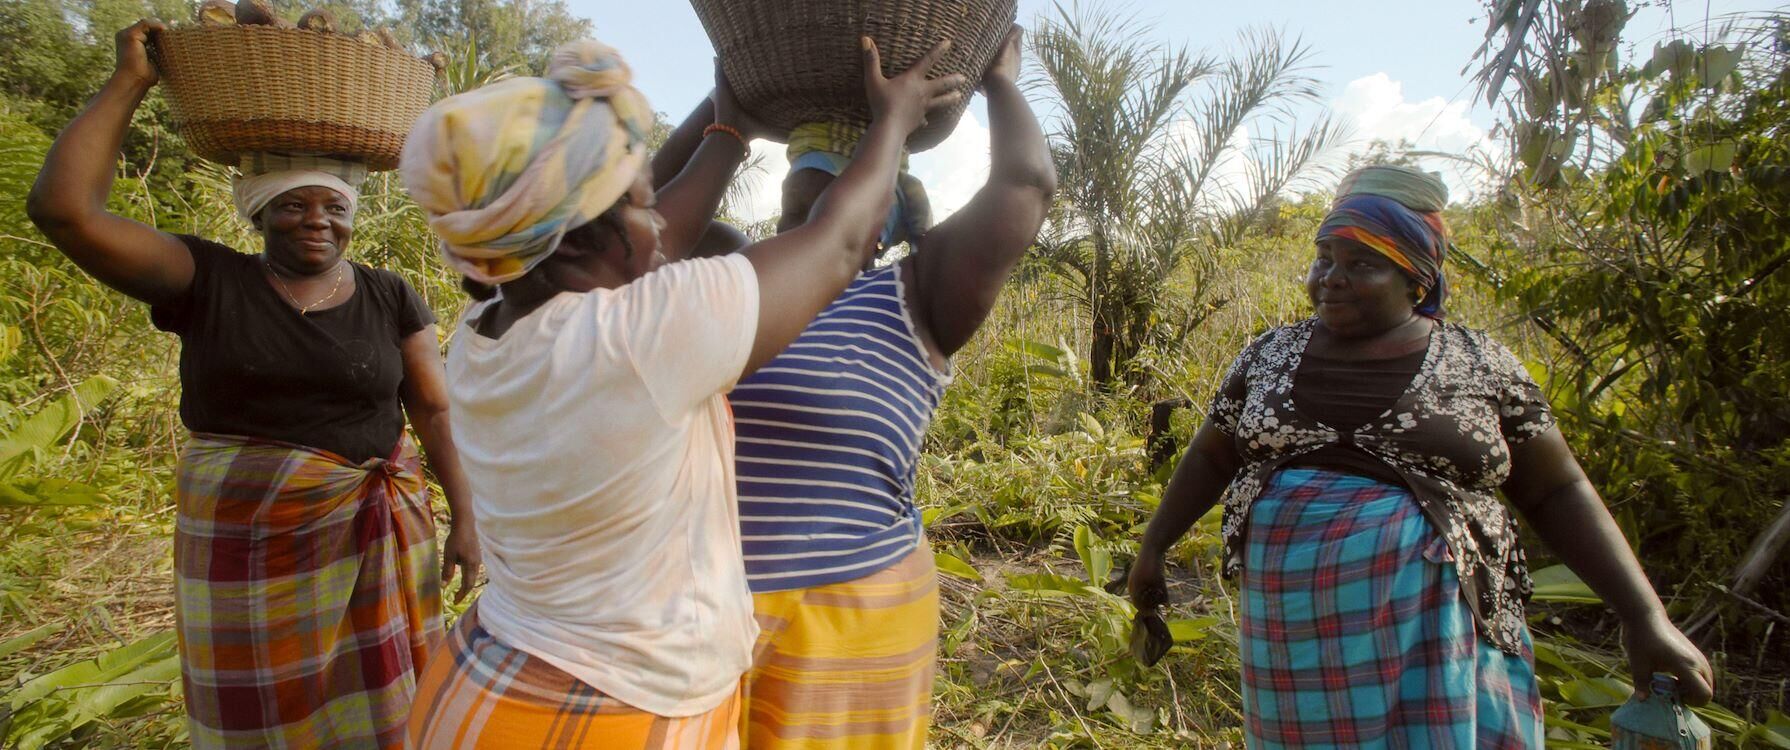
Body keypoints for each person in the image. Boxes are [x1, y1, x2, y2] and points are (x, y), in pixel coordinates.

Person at [397, 36, 965, 749]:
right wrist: (894, 119)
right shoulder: (639, 340)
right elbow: (843, 241)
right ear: (577, 244)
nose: (659, 219)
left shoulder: (485, 330)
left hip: (486, 677)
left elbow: (646, 227)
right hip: (610, 716)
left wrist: (729, 125)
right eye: (639, 204)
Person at [1126, 165, 1715, 747]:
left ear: (1416, 279)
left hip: (1443, 640)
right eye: (1324, 257)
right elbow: (1210, 455)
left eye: (1363, 264)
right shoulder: (1268, 355)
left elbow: (1556, 490)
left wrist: (1643, 616)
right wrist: (1154, 546)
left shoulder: (1481, 365)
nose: (1331, 278)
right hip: (1295, 642)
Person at [25, 20, 480, 749]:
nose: (317, 221)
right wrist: (130, 82)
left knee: (385, 705)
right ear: (259, 211)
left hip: (373, 533)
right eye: (294, 205)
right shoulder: (206, 279)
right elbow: (64, 212)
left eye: (334, 207)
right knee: (256, 714)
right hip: (244, 542)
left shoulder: (390, 294)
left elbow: (432, 405)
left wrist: (468, 513)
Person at [651, 25, 1053, 749]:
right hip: (697, 612)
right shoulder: (738, 279)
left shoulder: (920, 296)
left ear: (881, 220)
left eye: (831, 206)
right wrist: (726, 119)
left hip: (852, 619)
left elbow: (1024, 184)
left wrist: (998, 79)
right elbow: (639, 227)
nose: (805, 226)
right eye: (795, 207)